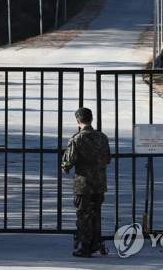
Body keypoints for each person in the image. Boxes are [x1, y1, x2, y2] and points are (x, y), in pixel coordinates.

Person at [62, 107, 111, 258]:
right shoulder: (102, 137)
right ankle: (96, 243)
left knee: (83, 215)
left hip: (83, 184)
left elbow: (68, 162)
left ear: (78, 121)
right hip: (99, 183)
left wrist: (64, 166)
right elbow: (107, 159)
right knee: (96, 213)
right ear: (92, 119)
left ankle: (84, 246)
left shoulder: (77, 139)